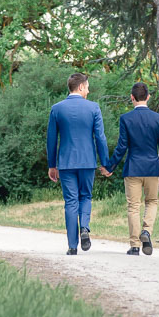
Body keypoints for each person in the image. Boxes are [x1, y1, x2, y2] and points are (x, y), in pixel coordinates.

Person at [103, 81, 159, 256]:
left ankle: (134, 246)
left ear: (132, 98)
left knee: (133, 206)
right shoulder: (158, 119)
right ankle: (146, 232)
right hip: (152, 169)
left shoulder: (126, 119)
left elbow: (122, 147)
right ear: (148, 97)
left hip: (133, 168)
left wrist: (110, 166)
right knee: (152, 202)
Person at [46, 72, 111, 255]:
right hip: (87, 161)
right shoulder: (93, 108)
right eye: (88, 87)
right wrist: (105, 163)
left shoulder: (57, 109)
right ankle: (84, 228)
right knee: (86, 197)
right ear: (81, 86)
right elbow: (100, 137)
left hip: (65, 163)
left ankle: (72, 246)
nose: (88, 91)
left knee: (70, 202)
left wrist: (52, 165)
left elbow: (51, 140)